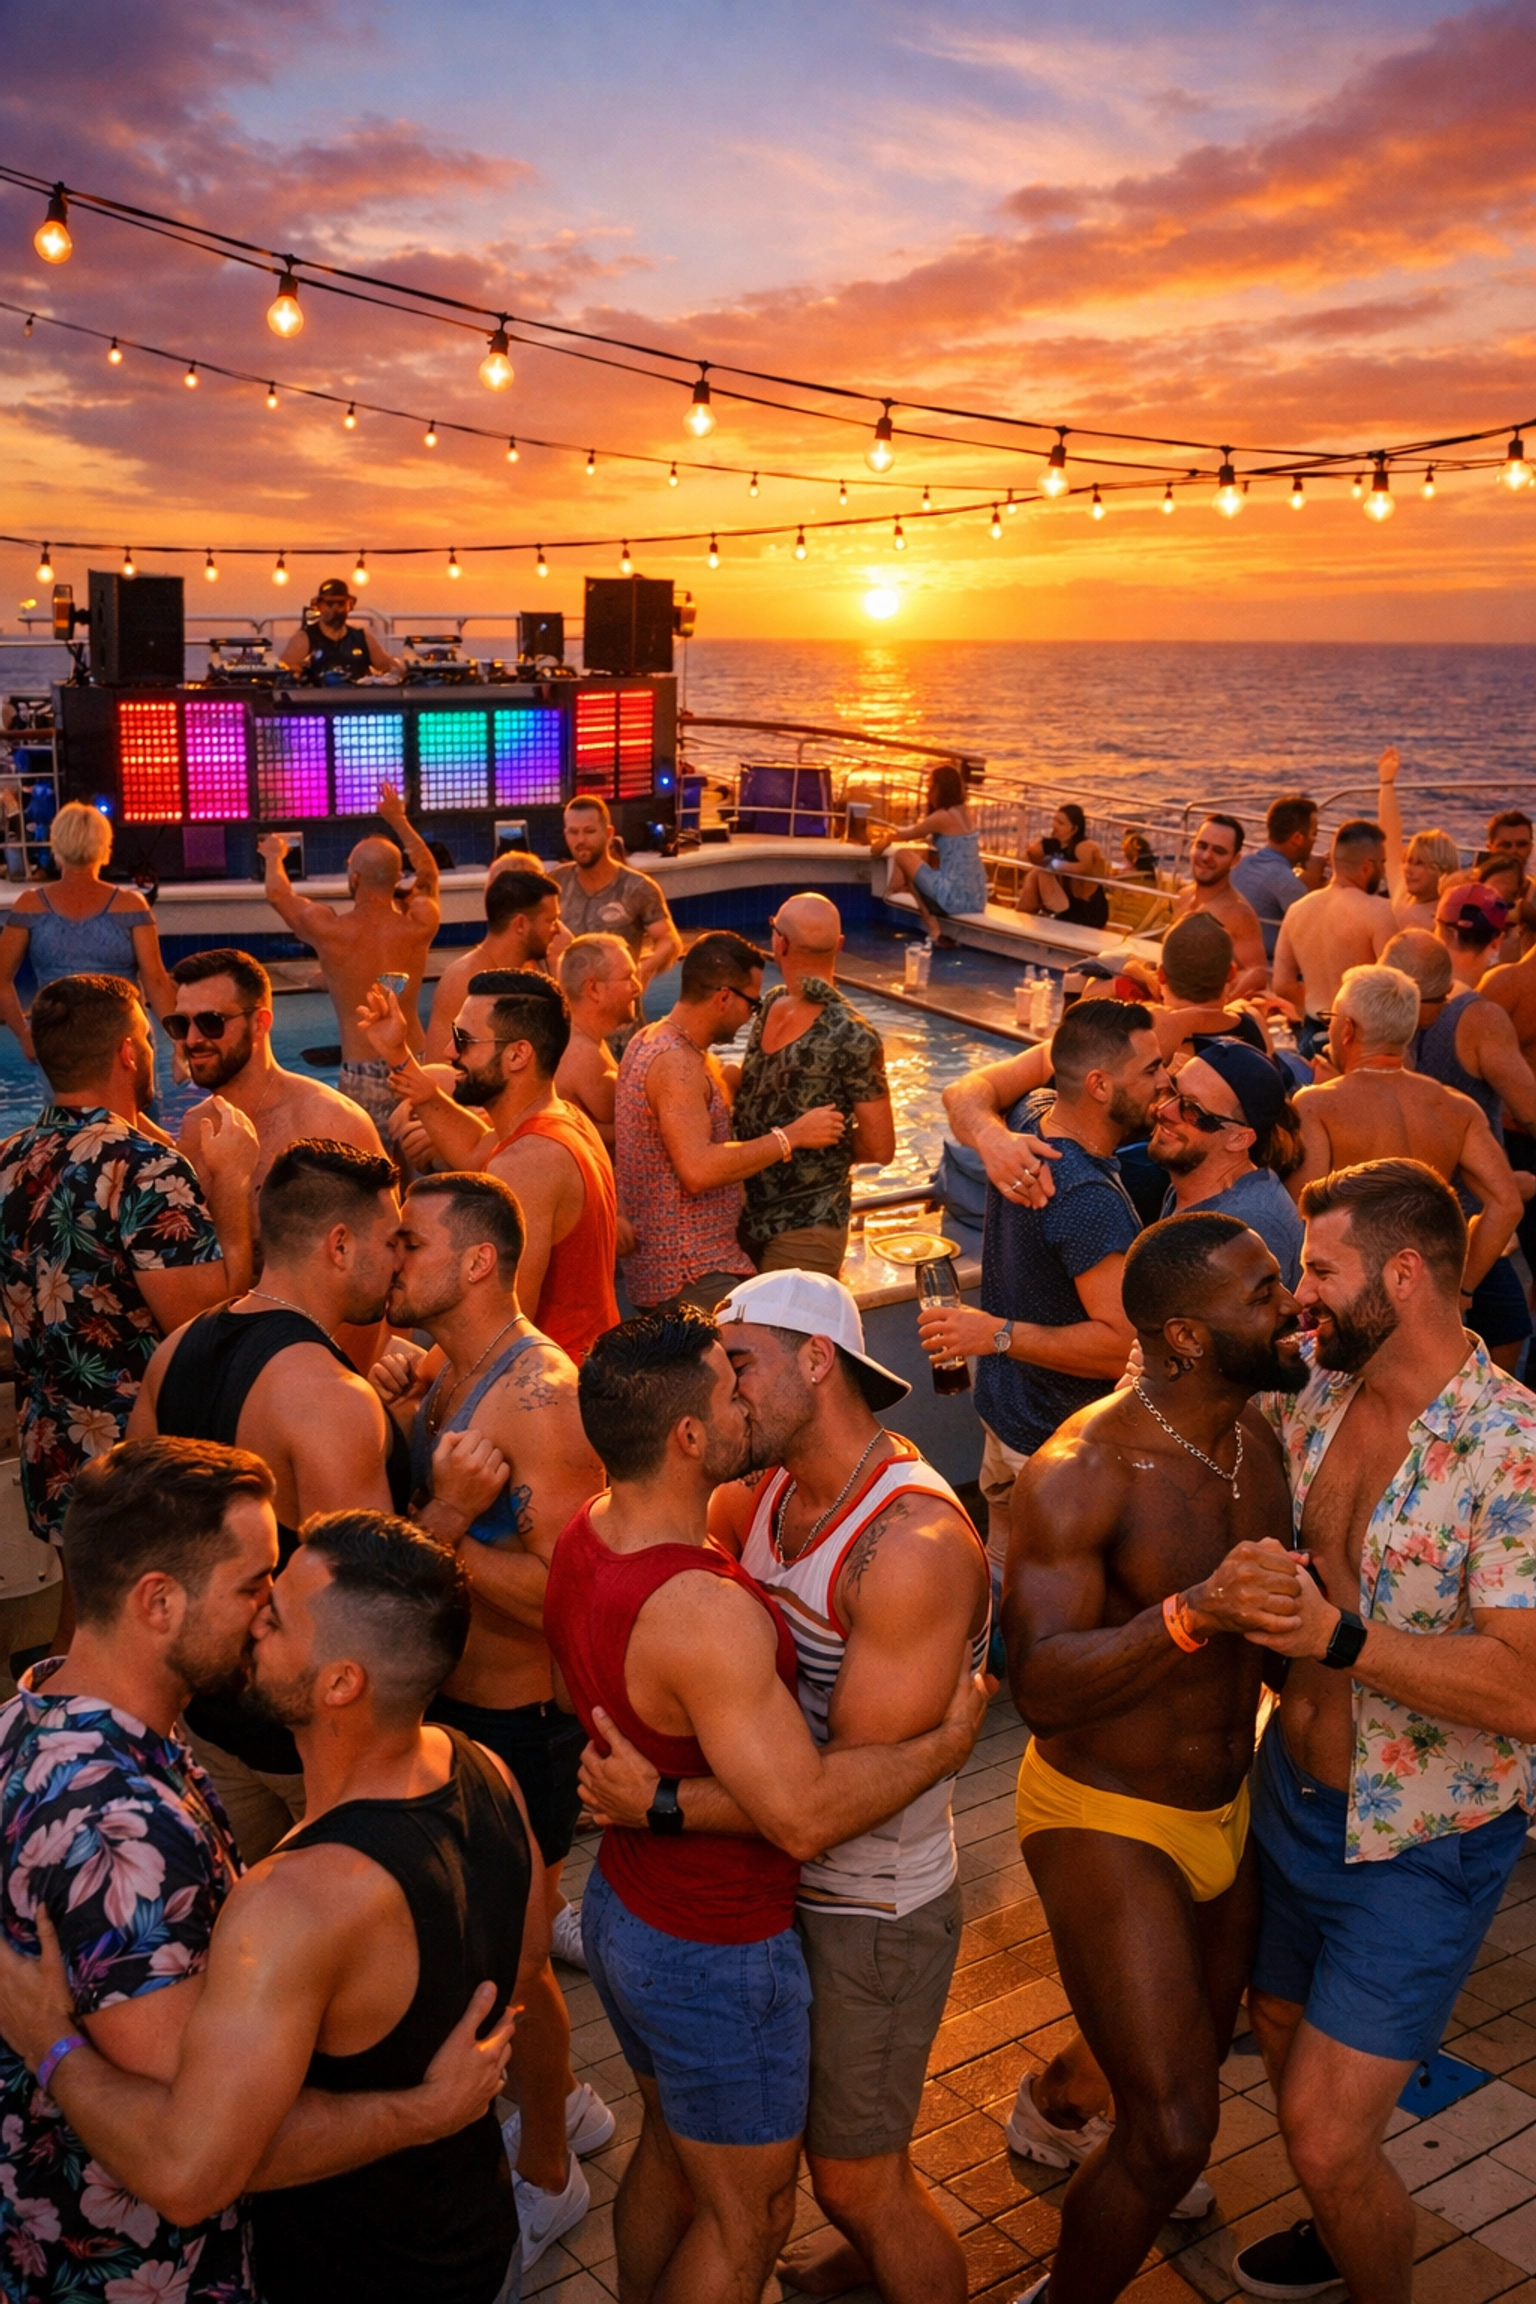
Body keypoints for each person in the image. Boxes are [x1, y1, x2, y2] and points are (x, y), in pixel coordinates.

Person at [0, 1440, 518, 2304]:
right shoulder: (122, 1836)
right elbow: (202, 2152)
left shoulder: (42, 1712)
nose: (262, 1615)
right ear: (157, 1602)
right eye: (254, 1589)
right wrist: (418, 2113)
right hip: (135, 2271)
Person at [541, 1308, 988, 2304]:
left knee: (678, 2159)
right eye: (726, 1379)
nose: (743, 1395)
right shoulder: (705, 1602)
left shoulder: (587, 1533)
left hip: (634, 1909)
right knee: (752, 2222)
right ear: (688, 1437)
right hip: (718, 1944)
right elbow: (801, 1816)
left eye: (745, 1368)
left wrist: (654, 1796)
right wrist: (949, 1746)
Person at [1228, 1161, 1536, 2304]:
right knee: (1274, 2025)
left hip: (1418, 1847)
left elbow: (1523, 1692)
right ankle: (1343, 2212)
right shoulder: (1324, 1384)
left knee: (1317, 2133)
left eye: (1319, 1269)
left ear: (1403, 1276)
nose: (1298, 1294)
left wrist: (1338, 1639)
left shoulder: (1511, 1450)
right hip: (1292, 1803)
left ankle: (1362, 2245)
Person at [1002, 1214, 1307, 2304]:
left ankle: (1052, 2108)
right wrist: (1191, 1614)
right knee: (1178, 2132)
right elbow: (1036, 1684)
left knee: (1174, 2087)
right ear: (1185, 1337)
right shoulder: (1082, 1470)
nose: (1291, 1304)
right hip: (1106, 1812)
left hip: (1228, 1808)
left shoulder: (1254, 1441)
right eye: (1264, 1293)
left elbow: (1273, 1646)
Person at [375, 1170, 612, 2269]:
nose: (390, 1256)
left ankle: (553, 2173)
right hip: (463, 1710)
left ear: (477, 1260)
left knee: (516, 1973)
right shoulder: (446, 1372)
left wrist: (445, 1533)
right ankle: (570, 2109)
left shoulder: (539, 1399)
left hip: (522, 1728)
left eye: (409, 1241)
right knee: (490, 1958)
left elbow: (567, 1592)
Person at [129, 1139, 406, 1859]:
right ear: (339, 1246)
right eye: (391, 1239)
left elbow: (135, 1529)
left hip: (209, 1722)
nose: (400, 1258)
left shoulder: (176, 1350)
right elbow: (369, 1608)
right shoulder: (329, 1399)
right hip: (308, 1749)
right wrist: (457, 1506)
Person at [0, 973, 258, 1547]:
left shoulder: (12, 1159)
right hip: (140, 1462)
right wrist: (235, 1179)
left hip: (51, 1445)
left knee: (87, 1615)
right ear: (126, 1053)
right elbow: (207, 1326)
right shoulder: (143, 1168)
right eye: (145, 1035)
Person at [931, 1000, 1169, 1571]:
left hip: (1006, 1413)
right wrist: (999, 1335)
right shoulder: (1088, 1201)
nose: (1168, 1080)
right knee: (1049, 1602)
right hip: (1054, 1445)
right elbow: (1119, 1345)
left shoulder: (1030, 1116)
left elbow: (967, 1090)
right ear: (1099, 1085)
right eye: (1152, 1071)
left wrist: (988, 1134)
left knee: (1001, 1568)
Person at [361, 968, 619, 1361]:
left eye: (464, 1040)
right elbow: (472, 1148)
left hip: (550, 1391)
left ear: (518, 1054)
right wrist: (399, 1056)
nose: (449, 1051)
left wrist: (420, 1374)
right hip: (583, 1368)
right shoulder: (563, 1117)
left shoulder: (527, 1161)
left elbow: (504, 1327)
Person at [614, 930, 845, 1311]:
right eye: (753, 1006)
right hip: (689, 1274)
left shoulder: (651, 1039)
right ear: (724, 997)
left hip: (679, 1268)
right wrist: (792, 1136)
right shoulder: (677, 1065)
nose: (752, 1019)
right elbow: (698, 1170)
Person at [1289, 964, 1522, 1304]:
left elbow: (1301, 1212)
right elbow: (1507, 1204)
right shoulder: (1456, 1107)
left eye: (1331, 1018)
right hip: (1424, 1293)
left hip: (1352, 1296)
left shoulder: (1317, 1105)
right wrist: (1461, 1287)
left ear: (1347, 1029)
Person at [258, 781, 441, 1127]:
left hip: (361, 1068)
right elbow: (429, 875)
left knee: (368, 1169)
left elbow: (278, 895)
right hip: (416, 1061)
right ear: (397, 878)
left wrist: (273, 856)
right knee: (422, 1165)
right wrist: (398, 820)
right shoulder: (419, 924)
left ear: (354, 877)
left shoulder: (330, 930)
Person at [731, 894, 894, 1277]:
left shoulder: (851, 1033)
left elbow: (880, 1146)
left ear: (780, 943)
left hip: (810, 1222)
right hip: (746, 1214)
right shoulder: (771, 1003)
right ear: (839, 945)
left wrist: (813, 1150)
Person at [170, 947, 384, 1182]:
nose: (191, 1039)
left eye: (210, 1022)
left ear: (260, 1024)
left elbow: (382, 1218)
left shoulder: (329, 1121)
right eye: (181, 1023)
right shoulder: (195, 1127)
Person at [0, 800, 176, 1060]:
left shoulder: (30, 905)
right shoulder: (130, 905)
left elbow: (1, 978)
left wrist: (25, 1035)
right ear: (104, 847)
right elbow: (156, 981)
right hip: (124, 1043)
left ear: (56, 844)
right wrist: (179, 1043)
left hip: (58, 1042)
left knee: (63, 1102)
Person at [1147, 1041, 1305, 1286]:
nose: (1165, 1110)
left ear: (1239, 1138)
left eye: (1192, 1110)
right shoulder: (1193, 1183)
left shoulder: (1245, 1226)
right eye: (1171, 1091)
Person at [425, 860, 566, 1064]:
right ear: (520, 924)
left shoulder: (536, 969)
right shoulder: (464, 980)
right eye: (550, 921)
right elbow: (439, 1069)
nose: (557, 929)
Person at [1273, 819, 1395, 1043]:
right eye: (1383, 862)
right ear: (1367, 866)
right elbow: (1392, 987)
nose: (1385, 870)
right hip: (1358, 1034)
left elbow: (1282, 984)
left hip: (1312, 1031)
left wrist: (1313, 1000)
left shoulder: (1297, 910)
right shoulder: (1380, 912)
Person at [550, 795, 682, 990]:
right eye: (573, 832)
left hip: (622, 1008)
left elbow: (669, 940)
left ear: (609, 833)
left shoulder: (636, 887)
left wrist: (644, 968)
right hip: (570, 1010)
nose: (581, 840)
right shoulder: (555, 884)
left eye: (589, 831)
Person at [872, 764, 986, 947]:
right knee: (916, 871)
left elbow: (907, 834)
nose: (927, 792)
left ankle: (932, 927)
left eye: (930, 786)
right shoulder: (965, 812)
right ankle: (895, 893)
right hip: (977, 898)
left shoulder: (942, 817)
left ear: (940, 789)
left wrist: (883, 840)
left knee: (902, 855)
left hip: (954, 898)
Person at [555, 932, 642, 1149]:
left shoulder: (578, 1039)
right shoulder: (584, 1055)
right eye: (627, 977)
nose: (637, 987)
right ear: (593, 989)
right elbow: (634, 1130)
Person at [1169, 815, 1268, 996]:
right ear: (1191, 846)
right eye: (1201, 846)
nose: (1206, 856)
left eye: (1219, 851)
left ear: (1235, 860)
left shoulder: (1238, 914)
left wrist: (1223, 1002)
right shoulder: (1184, 896)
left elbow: (1258, 974)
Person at [1375, 746, 1459, 933]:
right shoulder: (1402, 892)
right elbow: (1390, 837)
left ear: (1442, 872)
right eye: (1408, 861)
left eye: (1419, 863)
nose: (1408, 870)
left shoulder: (1447, 916)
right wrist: (1386, 783)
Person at [1231, 793, 1319, 961]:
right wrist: (1315, 879)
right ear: (1297, 838)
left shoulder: (1243, 861)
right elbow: (1314, 930)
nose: (1315, 841)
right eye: (1314, 833)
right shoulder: (1285, 880)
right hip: (1266, 962)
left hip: (1232, 951)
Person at [278, 575, 402, 680]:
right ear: (319, 606)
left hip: (357, 704)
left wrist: (404, 665)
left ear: (350, 606)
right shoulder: (303, 639)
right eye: (330, 604)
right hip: (318, 704)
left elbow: (390, 668)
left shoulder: (362, 638)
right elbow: (284, 674)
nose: (336, 609)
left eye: (341, 603)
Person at [1013, 802, 1110, 933]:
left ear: (1074, 829)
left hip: (1086, 911)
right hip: (1067, 904)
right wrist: (1035, 851)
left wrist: (1054, 865)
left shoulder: (1084, 846)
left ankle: (1033, 912)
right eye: (1054, 820)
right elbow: (1032, 859)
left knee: (1042, 871)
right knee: (1036, 872)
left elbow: (1085, 868)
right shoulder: (1054, 844)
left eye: (1061, 823)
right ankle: (1024, 913)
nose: (1054, 826)